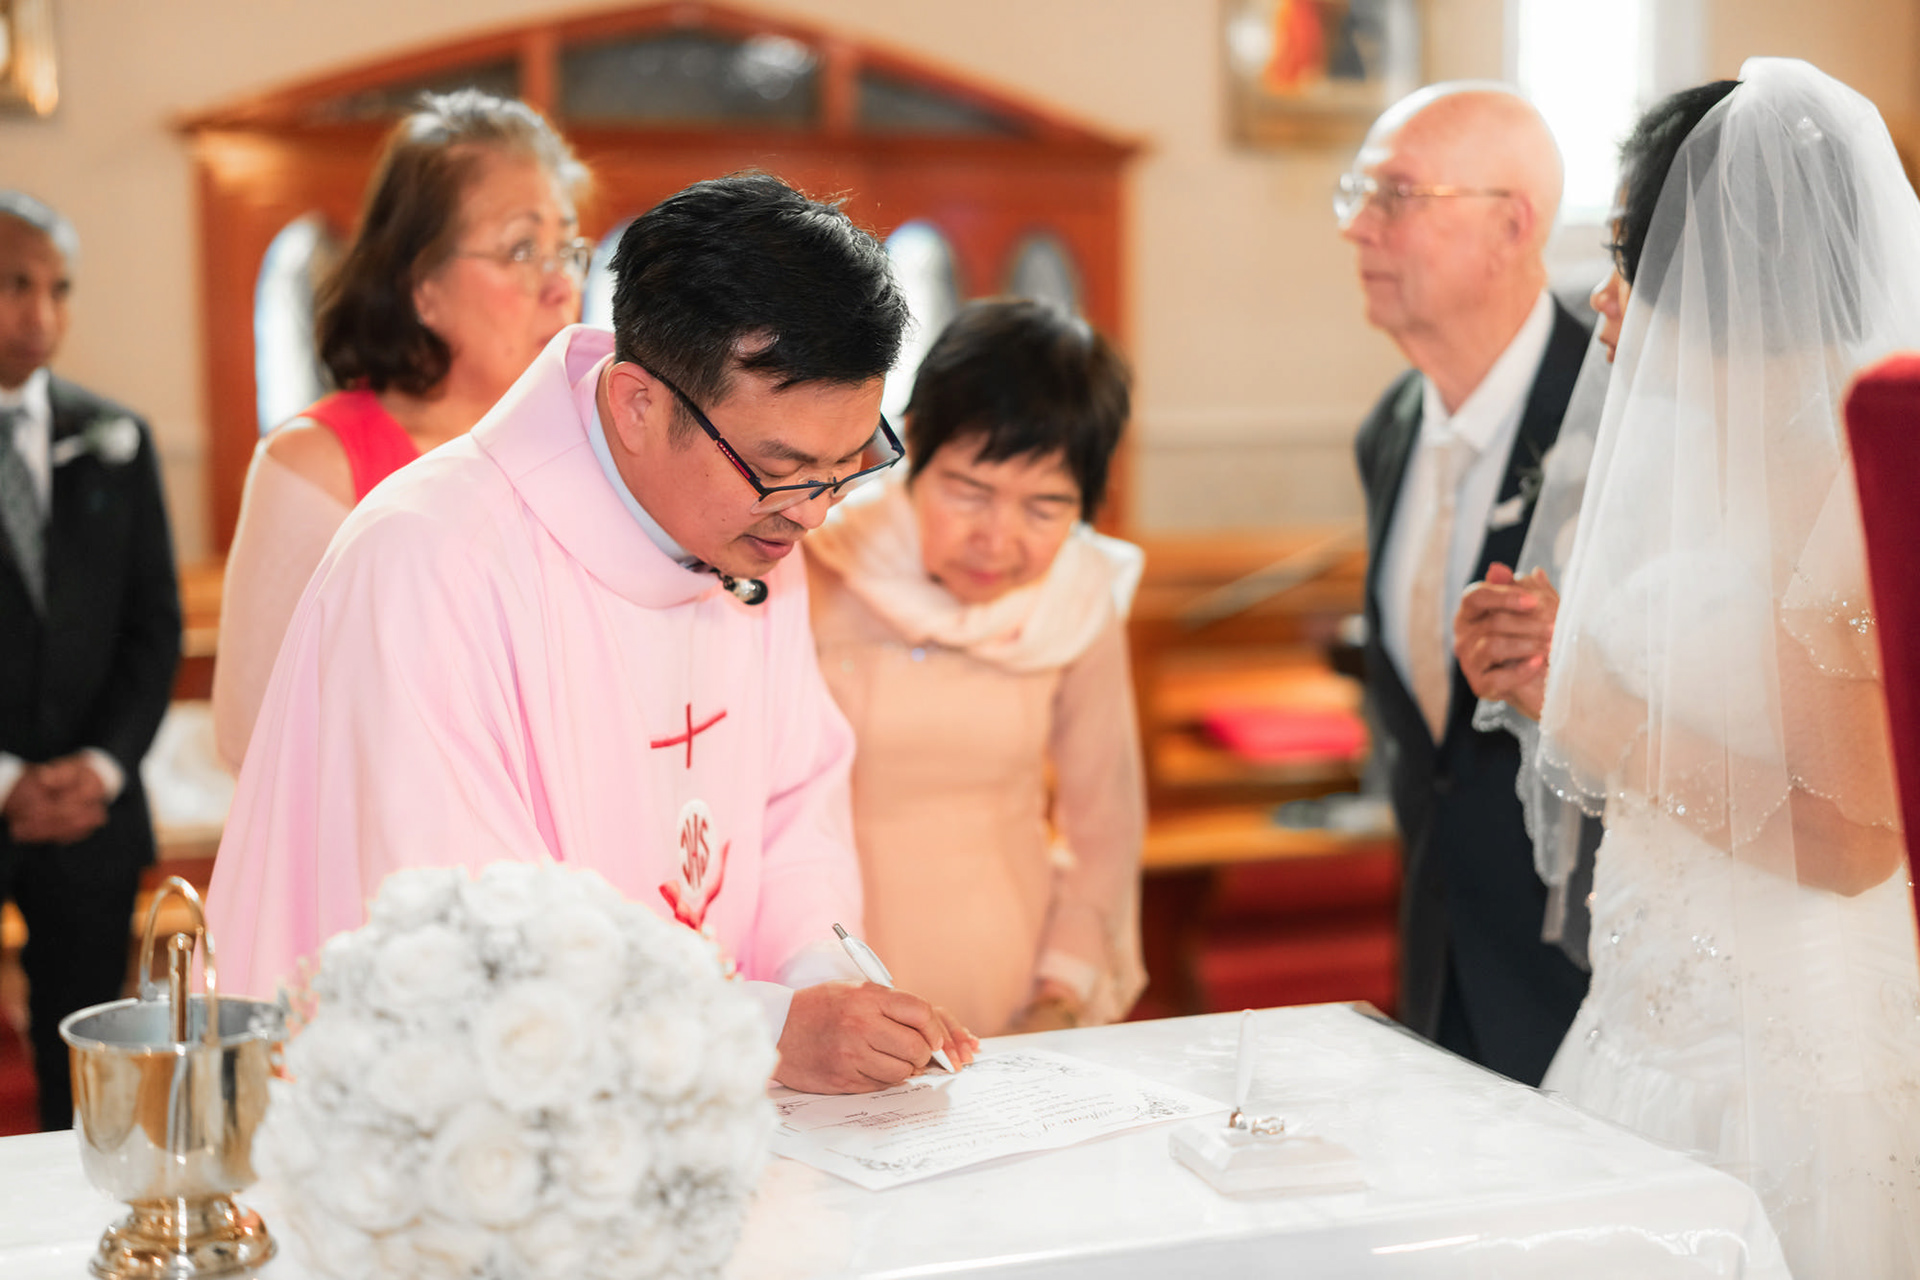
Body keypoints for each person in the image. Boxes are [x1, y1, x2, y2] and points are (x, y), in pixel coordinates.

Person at [205, 172, 978, 1095]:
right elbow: (465, 927)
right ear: (638, 405)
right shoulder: (432, 557)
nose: (812, 513)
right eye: (781, 469)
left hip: (705, 1114)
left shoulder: (759, 535)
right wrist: (763, 1030)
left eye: (846, 467)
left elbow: (793, 800)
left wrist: (815, 975)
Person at [1480, 62, 1920, 1276]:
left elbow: (1857, 841)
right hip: (1645, 1011)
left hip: (1776, 1055)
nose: (1603, 293)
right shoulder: (1687, 463)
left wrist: (1607, 718)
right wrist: (1548, 673)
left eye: (1630, 257)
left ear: (1734, 269)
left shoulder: (1822, 486)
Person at [211, 89, 589, 773]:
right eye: (522, 248)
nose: (560, 286)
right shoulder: (316, 465)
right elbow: (251, 736)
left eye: (566, 249)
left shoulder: (585, 454)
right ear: (423, 287)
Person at [805, 299, 1145, 1037]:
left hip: (1010, 969)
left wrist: (1062, 991)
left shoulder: (1077, 597)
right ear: (913, 446)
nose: (997, 538)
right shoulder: (821, 561)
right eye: (969, 492)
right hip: (830, 961)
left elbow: (1105, 828)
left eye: (1045, 508)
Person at [1341, 82, 1592, 1084]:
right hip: (1439, 970)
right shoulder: (1389, 429)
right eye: (1358, 194)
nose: (1359, 226)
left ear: (1511, 226)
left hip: (1586, 980)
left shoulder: (1614, 415)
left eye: (1397, 195)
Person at [0, 192, 182, 1129]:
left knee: (82, 1070)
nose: (41, 313)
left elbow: (154, 625)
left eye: (58, 288)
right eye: (14, 284)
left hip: (90, 811)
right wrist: (7, 781)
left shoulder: (116, 436)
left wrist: (102, 767)